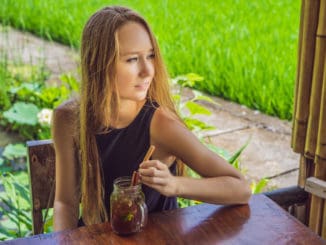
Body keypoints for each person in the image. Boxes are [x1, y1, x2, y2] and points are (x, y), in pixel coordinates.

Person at [52, 5, 251, 231]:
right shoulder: (68, 119)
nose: (148, 71)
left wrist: (175, 184)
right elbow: (65, 203)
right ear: (98, 63)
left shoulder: (160, 124)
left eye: (150, 56)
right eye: (132, 60)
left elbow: (240, 188)